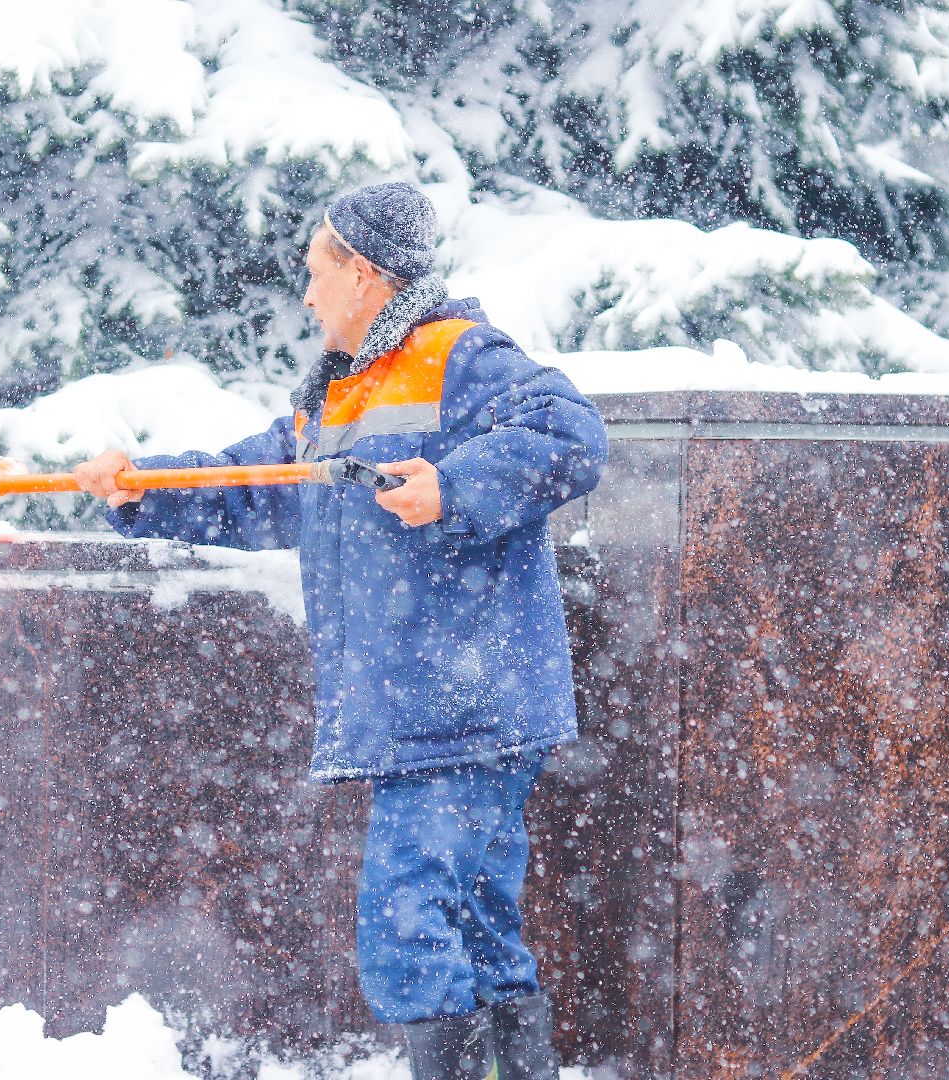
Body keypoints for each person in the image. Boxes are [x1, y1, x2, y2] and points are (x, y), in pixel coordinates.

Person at [74, 182, 607, 1080]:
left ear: (362, 274)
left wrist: (456, 487)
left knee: (406, 923)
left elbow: (572, 433)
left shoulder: (456, 356)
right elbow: (253, 482)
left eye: (316, 271)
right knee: (476, 927)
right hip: (434, 707)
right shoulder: (340, 395)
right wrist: (142, 486)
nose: (306, 292)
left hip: (464, 707)